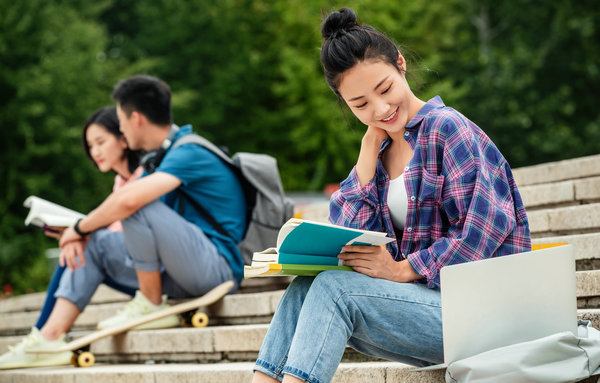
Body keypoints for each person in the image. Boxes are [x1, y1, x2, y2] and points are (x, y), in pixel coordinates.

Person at [252, 8, 531, 383]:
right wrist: (366, 161)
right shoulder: (378, 153)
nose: (380, 109)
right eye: (360, 104)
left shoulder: (448, 130)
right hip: (427, 310)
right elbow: (353, 245)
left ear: (400, 64)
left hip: (486, 314)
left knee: (334, 289)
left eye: (384, 89)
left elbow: (483, 232)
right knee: (307, 285)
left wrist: (402, 269)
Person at [0, 75, 247, 370]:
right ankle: (49, 337)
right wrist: (82, 235)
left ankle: (149, 301)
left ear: (136, 118)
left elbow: (129, 202)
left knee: (132, 203)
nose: (121, 128)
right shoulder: (164, 157)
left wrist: (78, 227)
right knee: (96, 242)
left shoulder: (188, 151)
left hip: (217, 267)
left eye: (120, 121)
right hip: (183, 267)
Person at [34, 106, 143, 331]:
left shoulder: (145, 176)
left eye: (100, 142)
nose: (95, 152)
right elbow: (116, 230)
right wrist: (75, 235)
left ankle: (43, 333)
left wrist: (82, 234)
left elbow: (130, 233)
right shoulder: (121, 182)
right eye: (91, 146)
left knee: (81, 248)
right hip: (134, 263)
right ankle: (42, 333)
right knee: (75, 249)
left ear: (123, 139)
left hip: (151, 268)